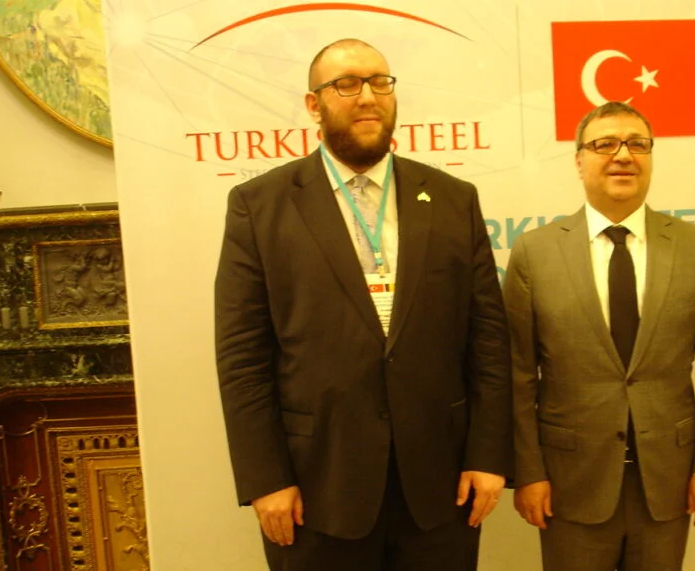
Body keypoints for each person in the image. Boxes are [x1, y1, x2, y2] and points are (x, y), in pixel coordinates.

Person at [214, 38, 512, 571]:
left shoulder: (452, 198)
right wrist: (266, 478)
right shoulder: (259, 207)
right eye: (347, 84)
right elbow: (243, 357)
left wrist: (488, 456)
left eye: (380, 82)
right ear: (314, 105)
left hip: (440, 485)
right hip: (316, 488)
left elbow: (487, 339)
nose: (368, 96)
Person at [503, 101, 695, 571]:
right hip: (570, 480)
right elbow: (517, 374)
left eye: (637, 144)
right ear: (579, 161)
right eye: (605, 144)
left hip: (668, 479)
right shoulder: (535, 251)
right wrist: (528, 471)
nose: (623, 155)